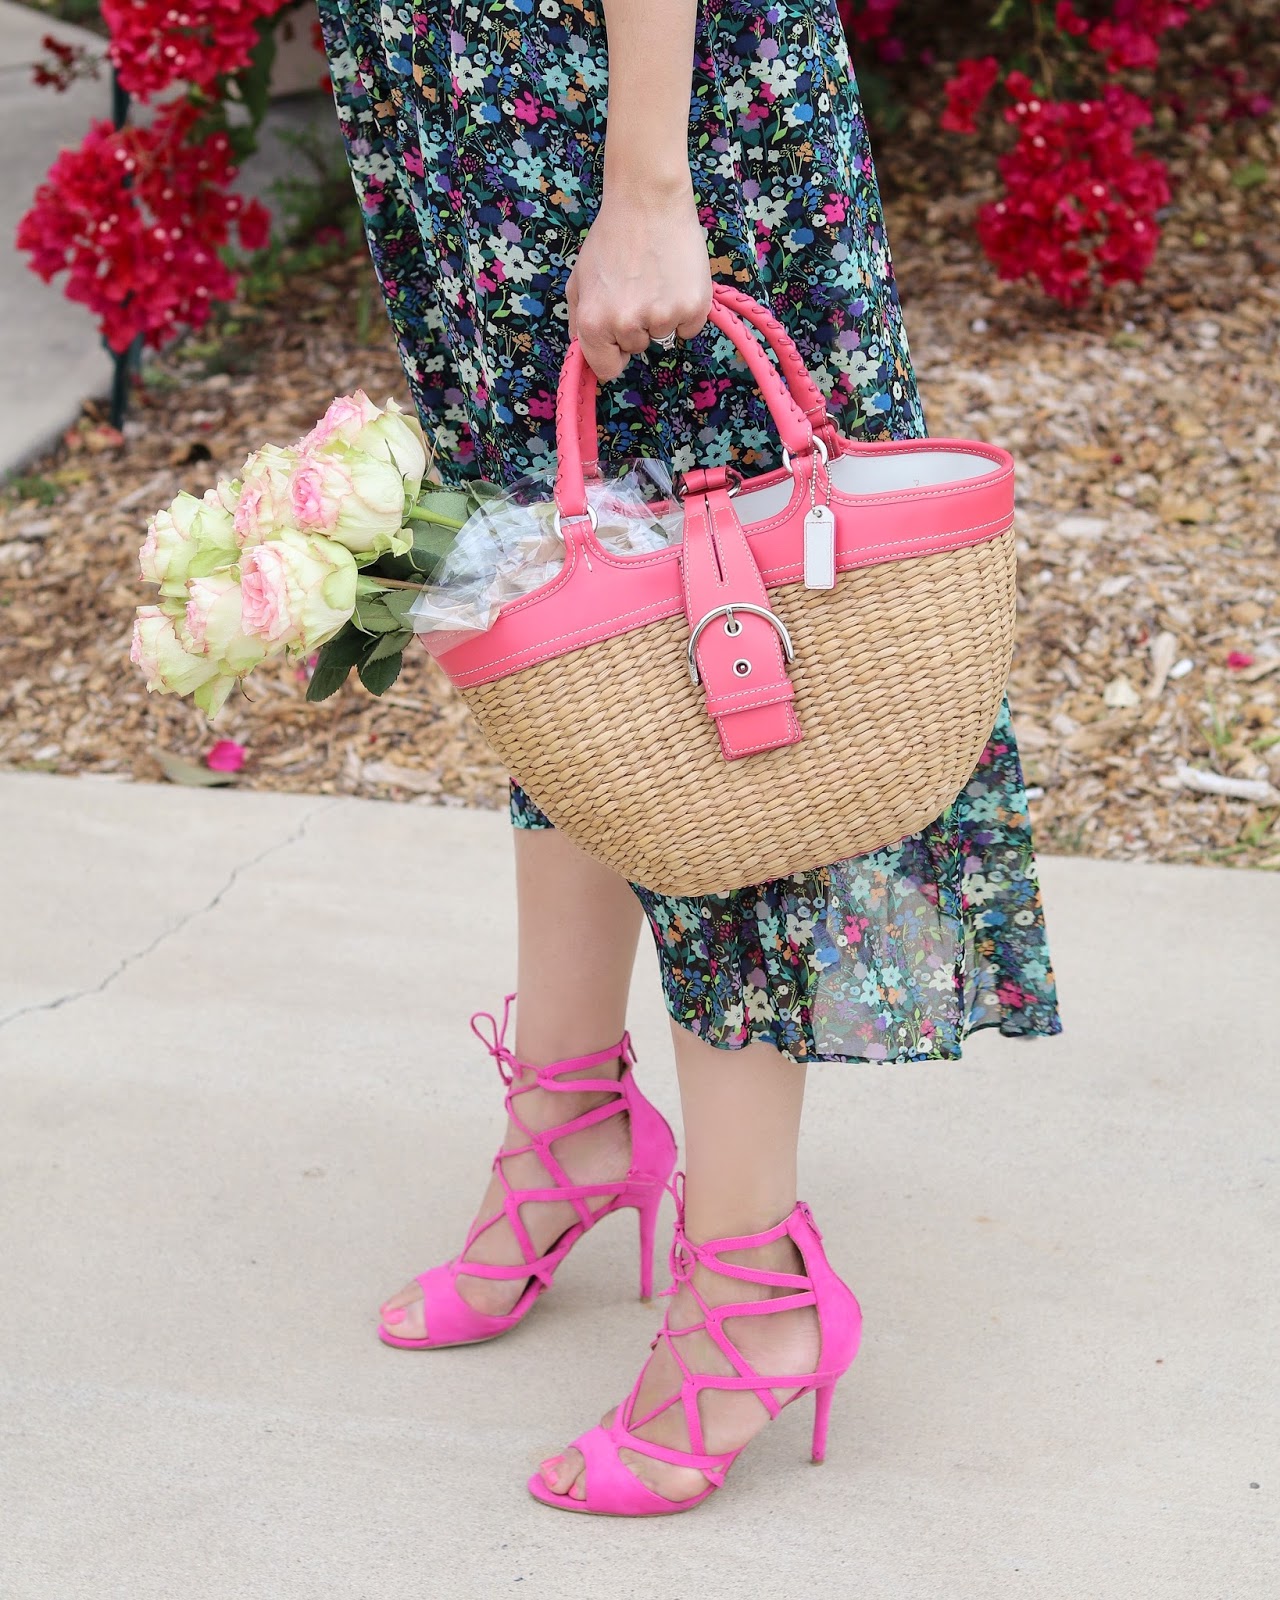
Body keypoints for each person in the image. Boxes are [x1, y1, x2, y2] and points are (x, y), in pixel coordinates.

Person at [317, 0, 1061, 1516]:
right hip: (458, 108)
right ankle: (569, 1127)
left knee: (736, 665)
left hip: (628, 100)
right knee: (566, 637)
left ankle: (749, 1291)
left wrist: (649, 180)